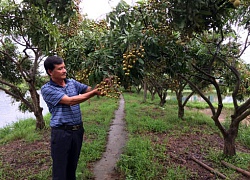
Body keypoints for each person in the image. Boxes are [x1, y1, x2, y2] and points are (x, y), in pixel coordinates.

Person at [41, 56, 102, 180]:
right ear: (50, 72)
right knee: (60, 170)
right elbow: (70, 101)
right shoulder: (47, 89)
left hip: (77, 131)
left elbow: (90, 89)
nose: (64, 71)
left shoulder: (72, 83)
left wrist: (103, 83)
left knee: (72, 167)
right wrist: (94, 93)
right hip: (61, 133)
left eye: (64, 67)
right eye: (60, 69)